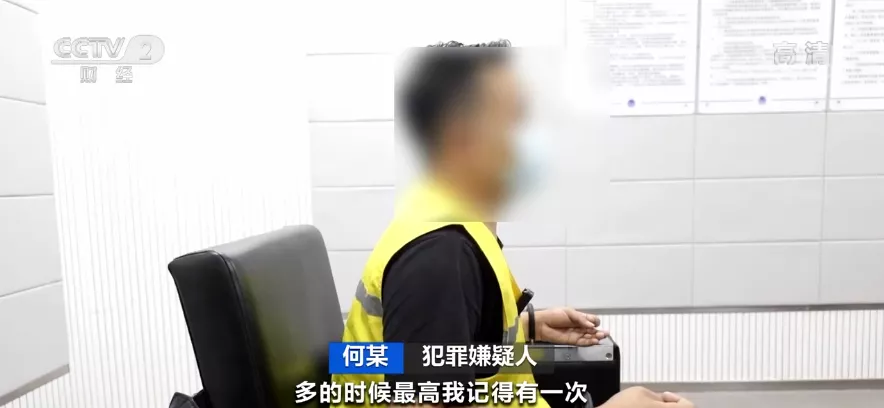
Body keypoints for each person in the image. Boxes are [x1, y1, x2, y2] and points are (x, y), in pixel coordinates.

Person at [332, 40, 695, 408]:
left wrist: (525, 329)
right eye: (519, 118)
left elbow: (442, 349)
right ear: (461, 138)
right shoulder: (440, 257)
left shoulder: (446, 224)